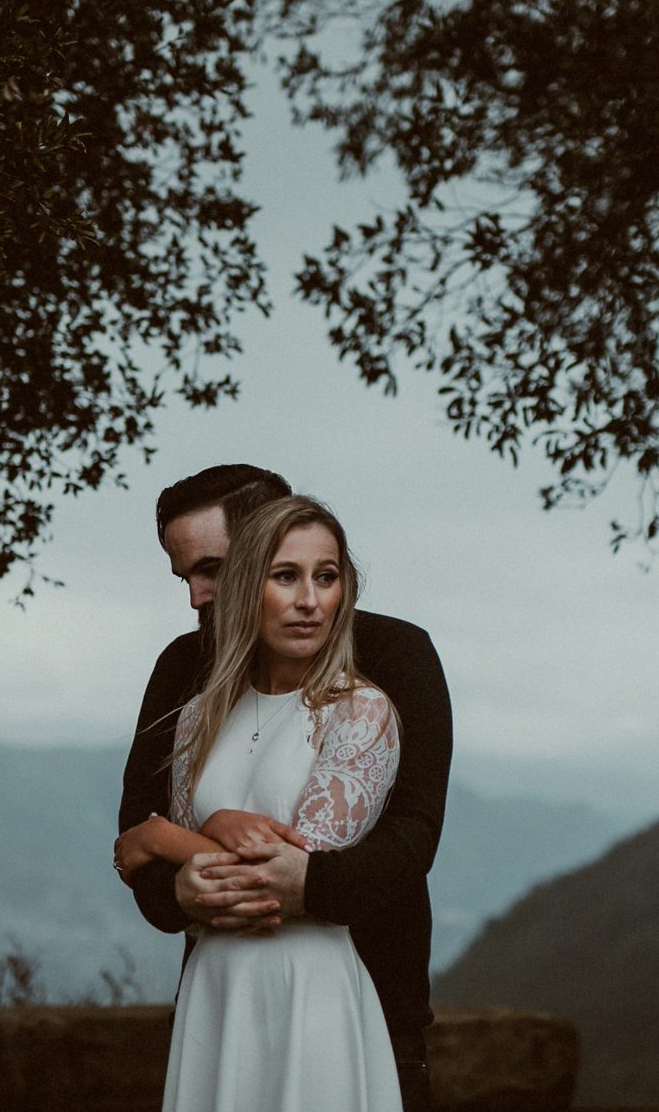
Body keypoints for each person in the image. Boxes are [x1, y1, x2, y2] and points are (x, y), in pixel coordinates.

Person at [117, 465, 451, 1111]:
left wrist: (165, 838)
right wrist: (174, 887)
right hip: (218, 992)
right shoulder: (186, 673)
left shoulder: (392, 658)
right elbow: (138, 833)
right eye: (185, 575)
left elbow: (413, 833)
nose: (195, 596)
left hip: (365, 993)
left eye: (211, 568)